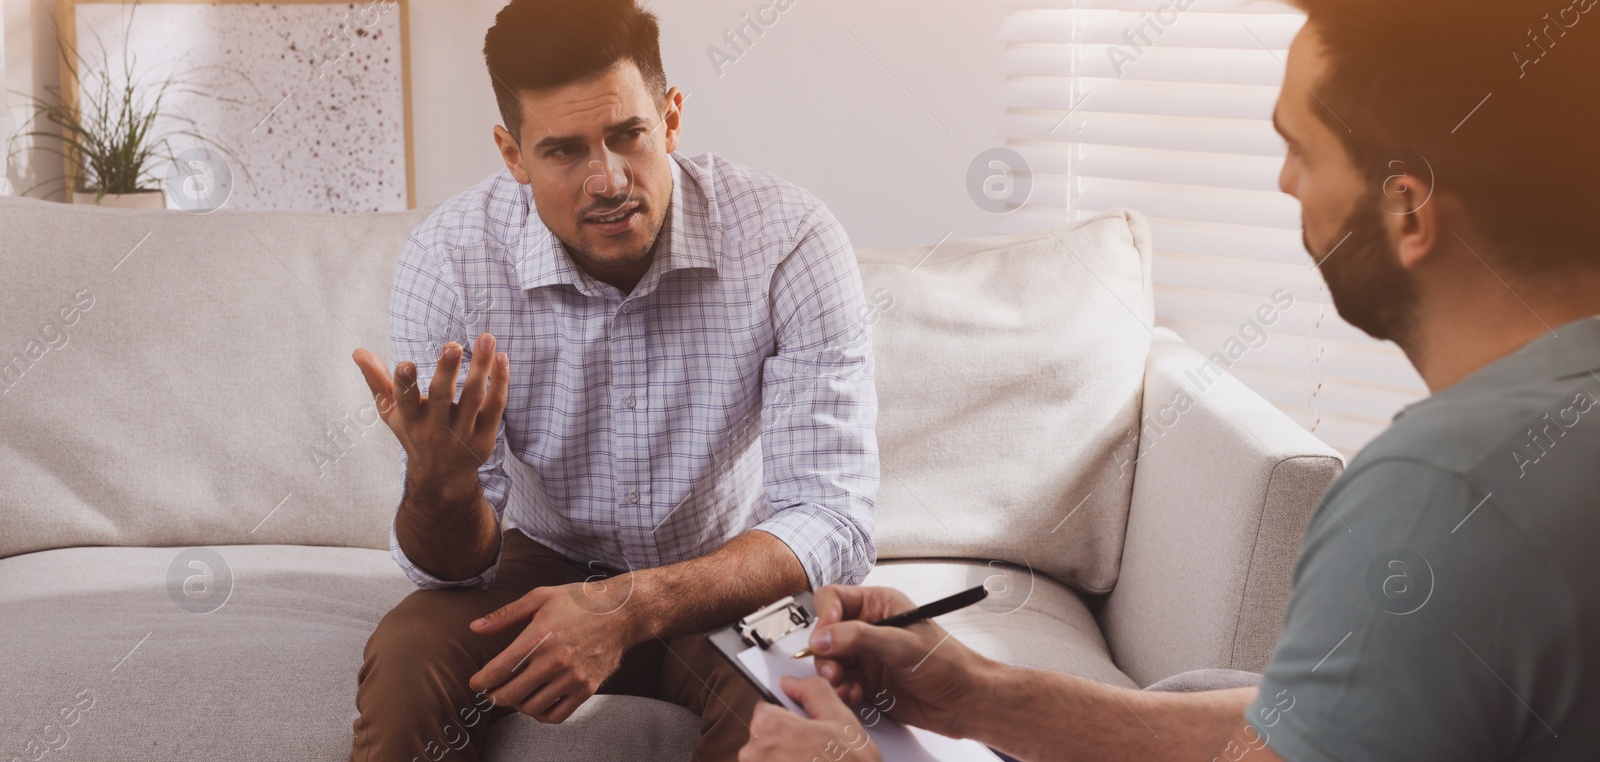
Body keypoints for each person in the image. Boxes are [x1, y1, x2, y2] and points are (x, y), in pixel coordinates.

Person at [741, 0, 1600, 759]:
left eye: (1300, 149)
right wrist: (981, 696)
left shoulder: (1442, 492)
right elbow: (1300, 730)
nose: (1285, 181)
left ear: (1407, 207)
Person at [346, 0, 880, 759]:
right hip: (542, 563)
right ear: (512, 154)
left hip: (732, 570)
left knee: (805, 700)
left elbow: (833, 517)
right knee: (406, 661)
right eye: (562, 151)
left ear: (670, 119)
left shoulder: (791, 240)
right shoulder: (450, 262)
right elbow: (454, 572)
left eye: (628, 135)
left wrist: (624, 608)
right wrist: (442, 487)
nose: (607, 180)